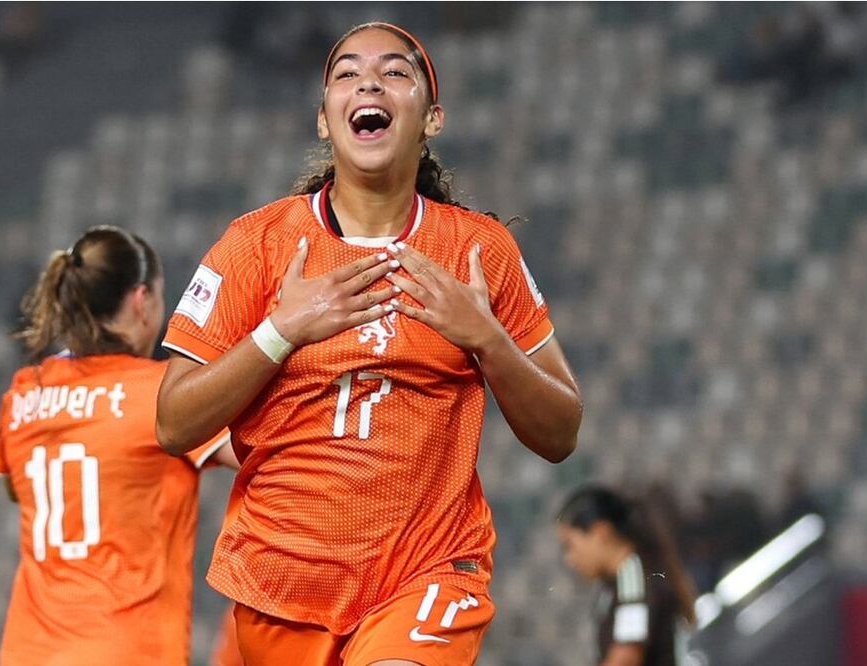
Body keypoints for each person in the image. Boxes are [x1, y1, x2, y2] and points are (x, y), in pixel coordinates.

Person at [157, 22, 582, 665]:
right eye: (347, 74)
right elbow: (171, 421)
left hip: (429, 568)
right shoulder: (255, 245)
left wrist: (487, 340)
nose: (370, 82)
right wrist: (282, 332)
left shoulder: (479, 251)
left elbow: (561, 433)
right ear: (326, 120)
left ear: (431, 118)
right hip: (282, 584)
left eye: (394, 72)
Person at [0, 225, 237, 665]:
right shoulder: (157, 394)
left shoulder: (25, 391)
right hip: (127, 651)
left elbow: (16, 487)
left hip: (27, 652)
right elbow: (260, 453)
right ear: (142, 300)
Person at [556, 485, 697, 666]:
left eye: (570, 545)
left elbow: (626, 658)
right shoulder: (616, 582)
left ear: (600, 532)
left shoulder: (634, 579)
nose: (569, 558)